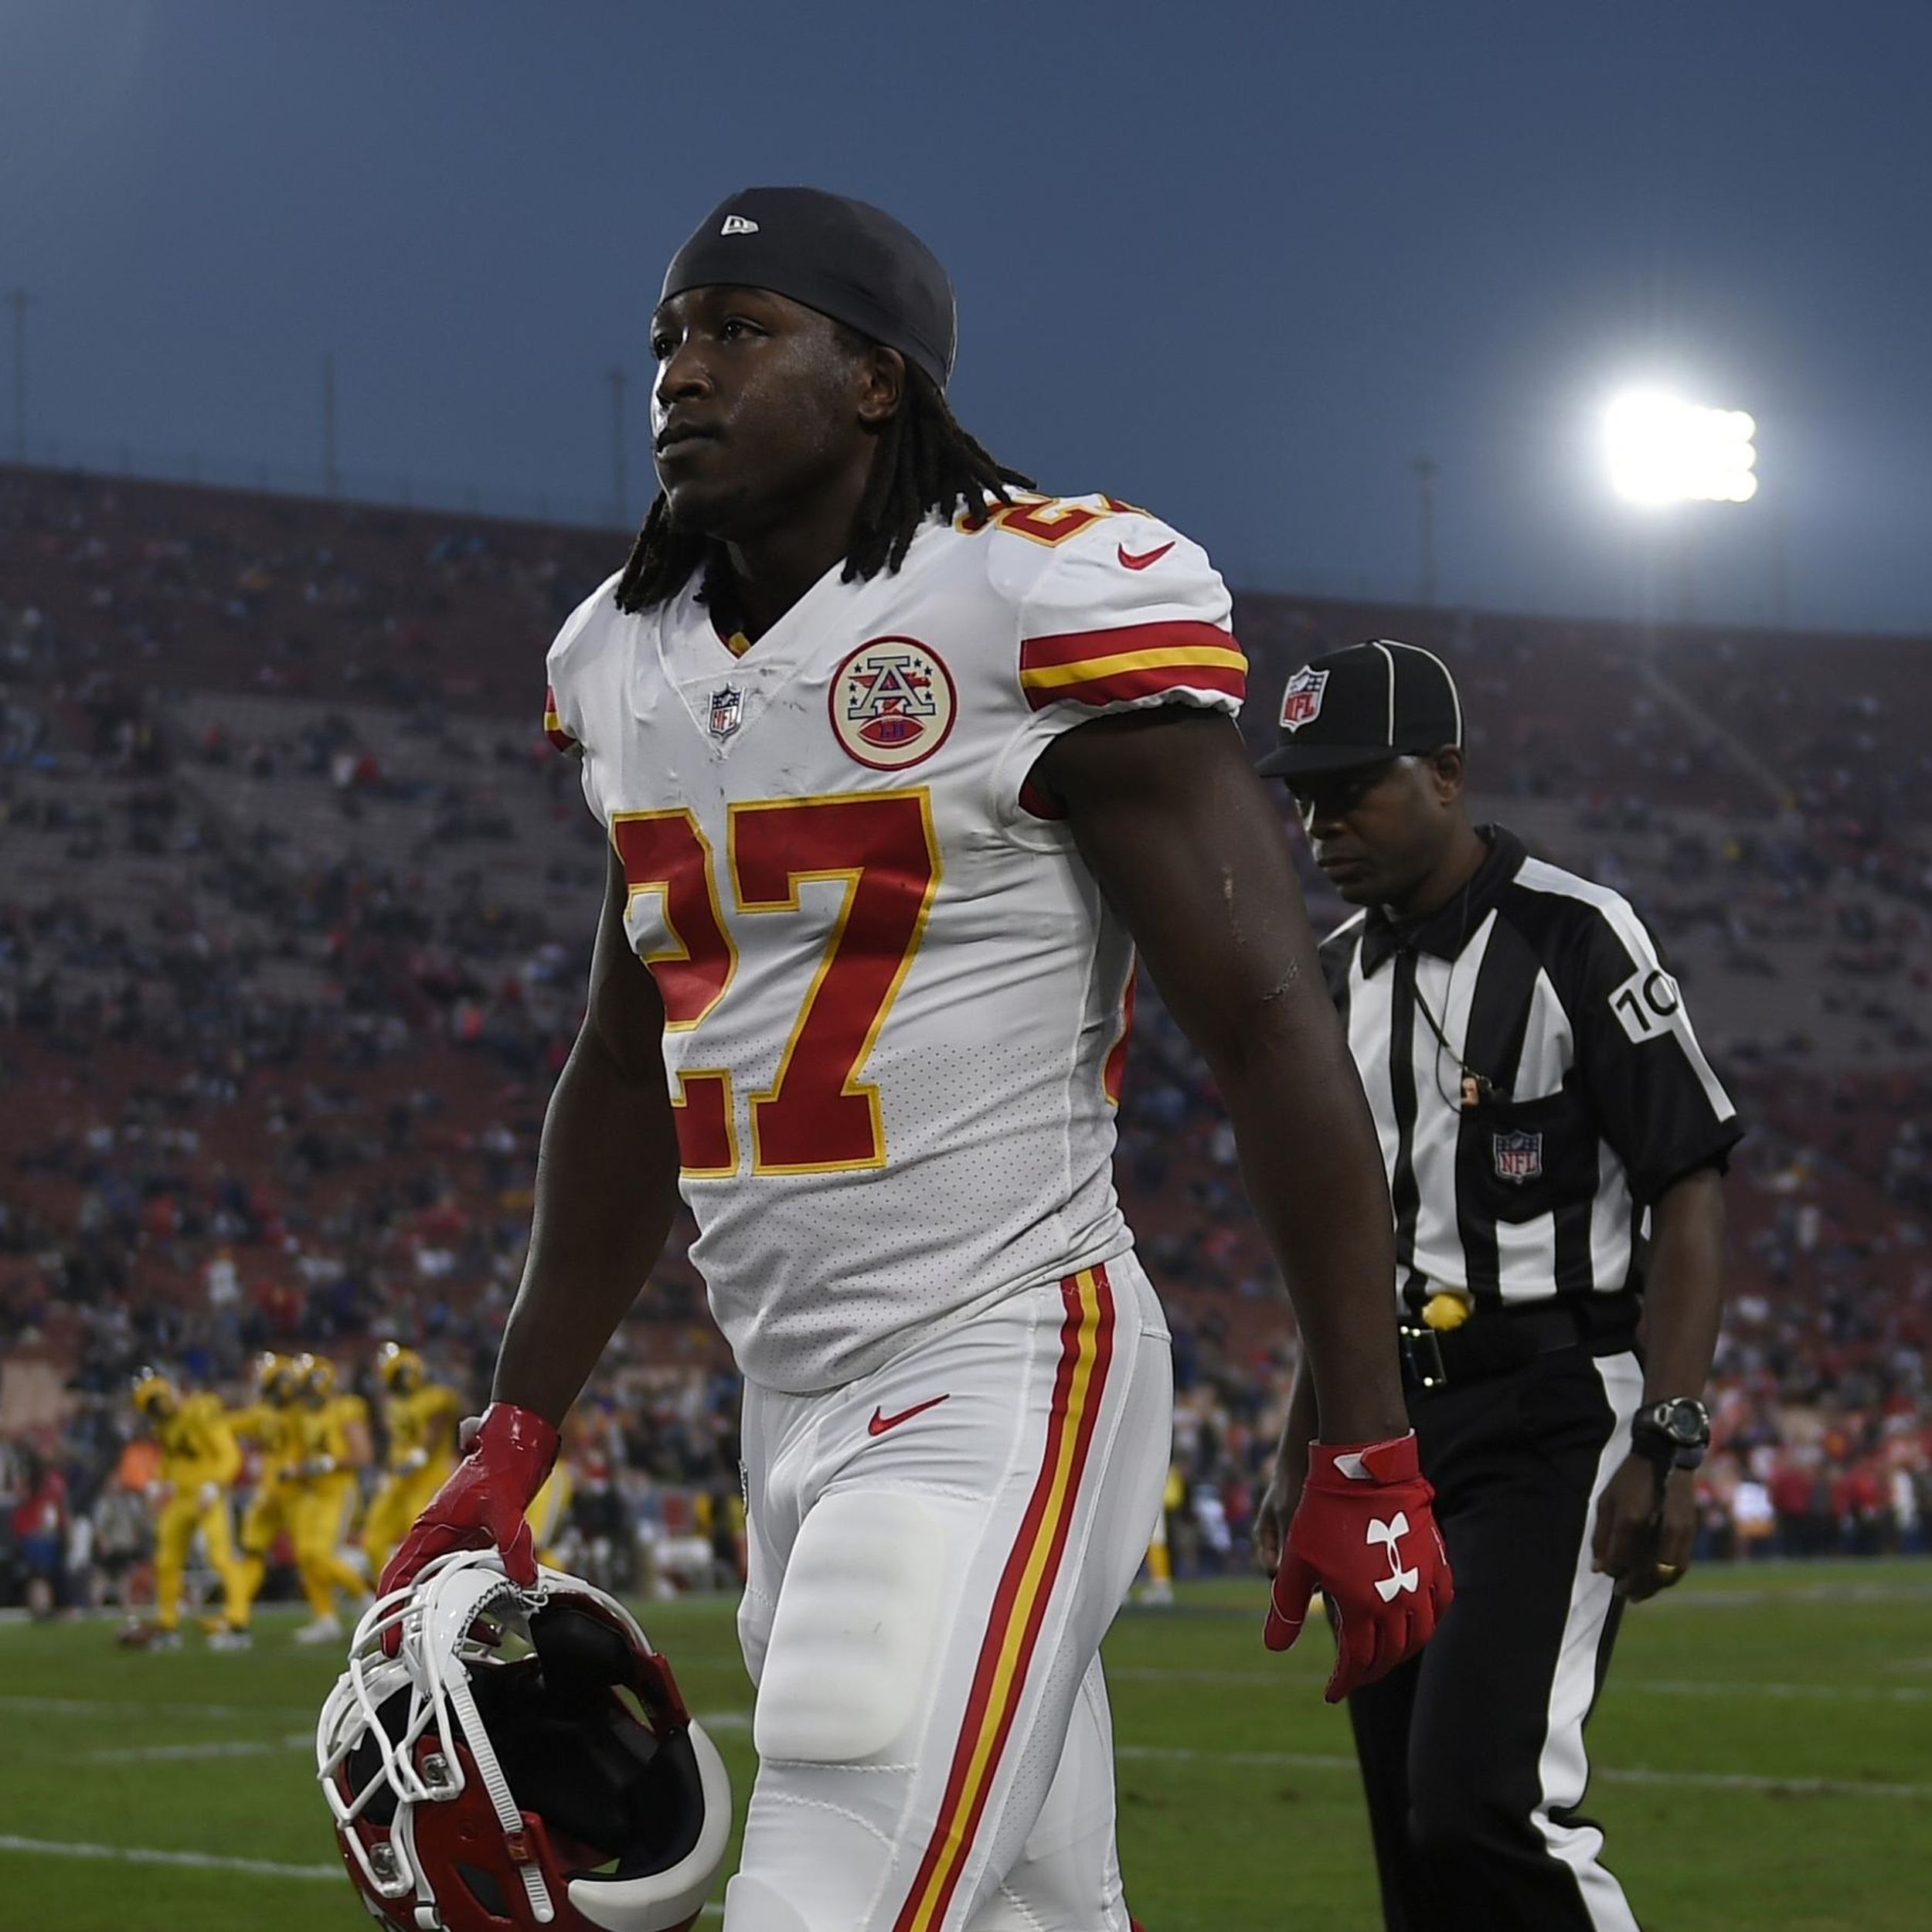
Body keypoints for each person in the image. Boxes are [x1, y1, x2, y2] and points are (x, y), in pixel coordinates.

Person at [383, 186, 1449, 1932]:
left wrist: (1371, 1443)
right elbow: (629, 1049)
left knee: (821, 1894)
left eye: (741, 330)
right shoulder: (622, 656)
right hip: (787, 1399)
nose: (682, 371)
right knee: (1038, 1912)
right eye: (667, 336)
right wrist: (517, 1425)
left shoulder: (1033, 598)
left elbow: (1265, 1027)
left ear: (877, 378)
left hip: (1002, 1357)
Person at [1254, 638, 1741, 1932]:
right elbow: (1348, 1250)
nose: (1322, 823)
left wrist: (1671, 1438)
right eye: (1305, 795)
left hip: (1551, 1409)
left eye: (1355, 786)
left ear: (1449, 774)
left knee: (1487, 1803)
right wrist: (1306, 1445)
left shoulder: (1576, 934)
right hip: (1397, 1429)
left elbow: (1688, 1182)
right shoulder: (1335, 975)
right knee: (1416, 1856)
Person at [123, 1369, 250, 1649]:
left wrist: (216, 1484)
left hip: (208, 1494)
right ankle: (168, 1624)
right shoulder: (164, 1425)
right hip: (180, 1497)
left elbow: (229, 1453)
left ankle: (238, 1622)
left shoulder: (202, 1411)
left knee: (221, 1557)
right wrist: (159, 1481)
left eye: (159, 1401)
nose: (159, 1409)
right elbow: (173, 1457)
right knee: (166, 1561)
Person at [288, 1352, 373, 1644]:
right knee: (305, 1555)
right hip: (313, 1492)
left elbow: (362, 1454)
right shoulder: (303, 1414)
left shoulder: (345, 1409)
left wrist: (330, 1463)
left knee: (321, 1554)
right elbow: (302, 1457)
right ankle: (325, 1618)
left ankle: (366, 1598)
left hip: (339, 1490)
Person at [359, 1343, 462, 1577]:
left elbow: (441, 1421)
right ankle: (387, 1595)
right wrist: (387, 1470)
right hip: (400, 1477)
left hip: (429, 1476)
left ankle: (427, 1592)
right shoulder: (392, 1403)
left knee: (423, 1541)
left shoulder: (435, 1398)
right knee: (373, 1539)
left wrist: (422, 1454)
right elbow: (396, 1442)